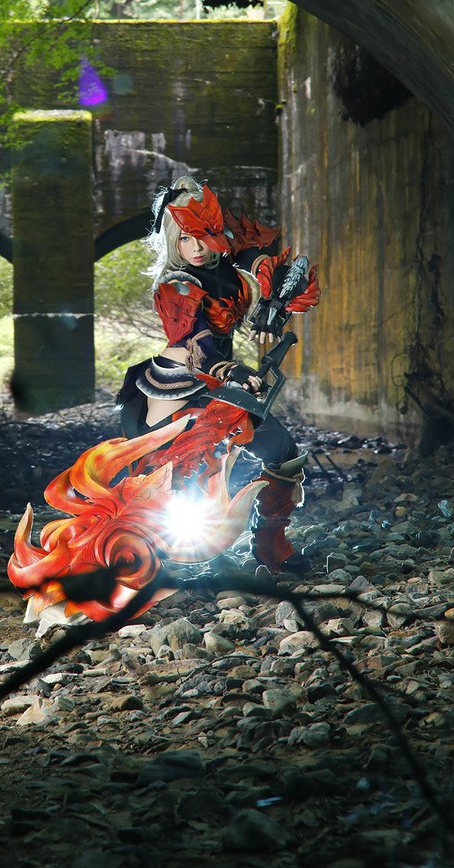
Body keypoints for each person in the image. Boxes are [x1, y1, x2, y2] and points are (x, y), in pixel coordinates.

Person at [116, 175, 315, 573]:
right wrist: (232, 369)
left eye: (202, 237)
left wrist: (273, 306)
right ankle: (139, 559)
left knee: (283, 452)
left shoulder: (227, 265)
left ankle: (271, 545)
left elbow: (274, 266)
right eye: (184, 239)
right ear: (171, 239)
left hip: (223, 384)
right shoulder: (176, 285)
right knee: (173, 473)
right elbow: (196, 342)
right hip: (178, 384)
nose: (195, 249)